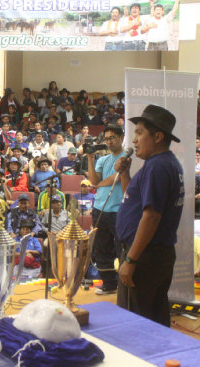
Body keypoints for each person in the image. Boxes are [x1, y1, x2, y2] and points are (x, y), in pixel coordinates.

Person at [115, 105, 184, 327]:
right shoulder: (162, 164)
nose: (134, 140)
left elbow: (151, 217)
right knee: (153, 319)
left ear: (158, 136)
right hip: (154, 255)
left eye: (139, 133)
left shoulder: (158, 167)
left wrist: (131, 260)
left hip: (144, 257)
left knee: (133, 323)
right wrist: (125, 173)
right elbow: (131, 199)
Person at [86, 124, 125, 295]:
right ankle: (109, 284)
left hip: (119, 210)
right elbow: (94, 179)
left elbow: (114, 178)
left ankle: (124, 285)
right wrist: (89, 157)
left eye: (112, 138)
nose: (109, 142)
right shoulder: (102, 160)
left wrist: (98, 184)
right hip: (99, 209)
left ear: (121, 138)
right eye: (106, 138)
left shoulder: (127, 157)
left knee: (120, 248)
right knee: (101, 248)